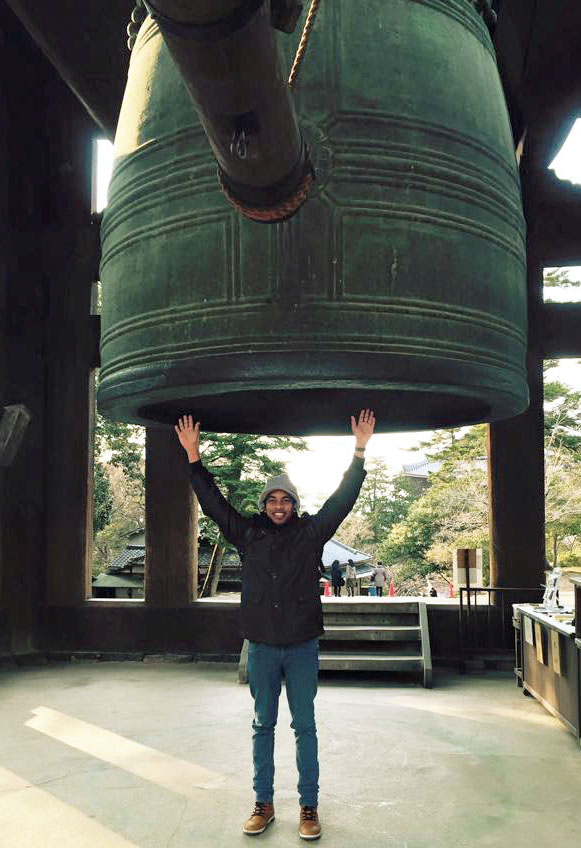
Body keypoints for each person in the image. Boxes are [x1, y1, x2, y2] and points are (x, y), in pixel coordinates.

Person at [175, 408, 376, 840]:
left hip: (301, 645)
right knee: (262, 725)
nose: (279, 506)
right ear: (264, 506)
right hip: (262, 646)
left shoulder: (312, 533)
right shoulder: (248, 534)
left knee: (305, 727)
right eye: (272, 500)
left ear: (294, 505)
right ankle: (263, 804)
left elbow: (343, 499)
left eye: (285, 499)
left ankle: (308, 807)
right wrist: (193, 456)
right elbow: (213, 504)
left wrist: (359, 451)